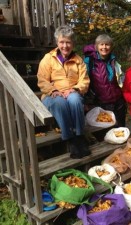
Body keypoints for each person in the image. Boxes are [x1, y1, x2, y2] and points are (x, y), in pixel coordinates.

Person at [37, 25, 90, 159]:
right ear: (57, 42)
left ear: (73, 43)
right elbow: (42, 80)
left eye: (68, 42)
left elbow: (84, 80)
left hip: (72, 92)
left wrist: (75, 89)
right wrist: (53, 90)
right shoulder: (48, 58)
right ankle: (70, 139)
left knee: (75, 100)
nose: (65, 46)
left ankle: (79, 136)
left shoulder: (78, 60)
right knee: (60, 103)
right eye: (62, 42)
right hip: (52, 94)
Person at [83, 34, 126, 127]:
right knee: (106, 133)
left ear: (111, 46)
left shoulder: (114, 60)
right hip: (101, 104)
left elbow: (121, 79)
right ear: (96, 46)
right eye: (101, 44)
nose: (104, 47)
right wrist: (85, 102)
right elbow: (83, 81)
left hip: (119, 103)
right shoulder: (89, 61)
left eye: (107, 44)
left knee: (121, 130)